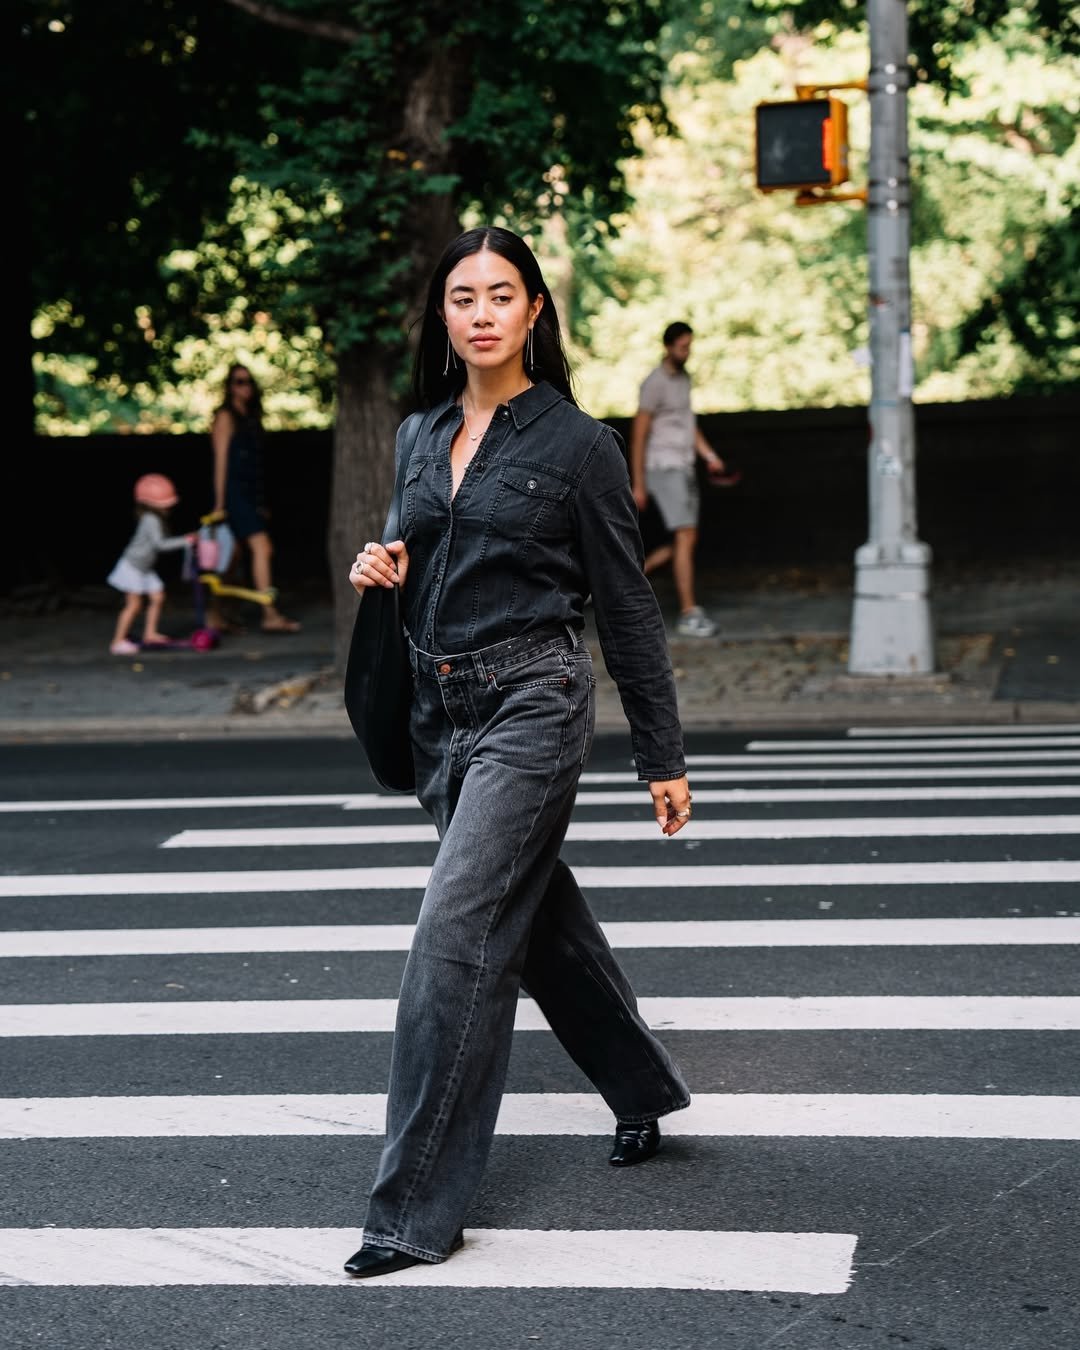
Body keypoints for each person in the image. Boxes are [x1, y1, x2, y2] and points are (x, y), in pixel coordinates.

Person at [343, 226, 694, 1279]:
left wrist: (661, 754)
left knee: (456, 934)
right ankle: (641, 1087)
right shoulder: (418, 433)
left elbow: (626, 607)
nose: (482, 313)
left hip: (533, 701)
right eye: (463, 297)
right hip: (437, 711)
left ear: (535, 310)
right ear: (443, 316)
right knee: (537, 921)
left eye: (502, 294)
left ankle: (411, 1211)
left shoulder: (580, 445)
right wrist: (380, 568)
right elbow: (416, 553)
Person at [629, 322, 729, 637]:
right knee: (685, 536)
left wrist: (710, 456)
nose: (687, 352)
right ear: (668, 346)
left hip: (684, 467)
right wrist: (638, 483)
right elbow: (639, 434)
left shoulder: (685, 379)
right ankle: (688, 613)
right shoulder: (654, 383)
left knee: (684, 540)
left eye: (689, 346)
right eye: (683, 347)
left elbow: (688, 424)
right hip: (663, 467)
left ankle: (619, 580)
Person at [208, 363, 300, 633]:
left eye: (248, 381)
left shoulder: (250, 417)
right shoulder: (225, 417)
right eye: (239, 381)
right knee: (262, 548)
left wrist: (260, 502)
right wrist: (219, 503)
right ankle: (269, 614)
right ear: (229, 387)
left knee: (232, 557)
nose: (245, 387)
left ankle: (216, 615)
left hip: (251, 495)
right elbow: (221, 462)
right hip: (234, 494)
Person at [106, 473, 192, 654]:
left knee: (157, 596)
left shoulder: (155, 519)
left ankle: (150, 633)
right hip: (133, 567)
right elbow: (160, 545)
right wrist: (186, 540)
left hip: (145, 568)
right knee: (134, 605)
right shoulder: (151, 520)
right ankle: (117, 641)